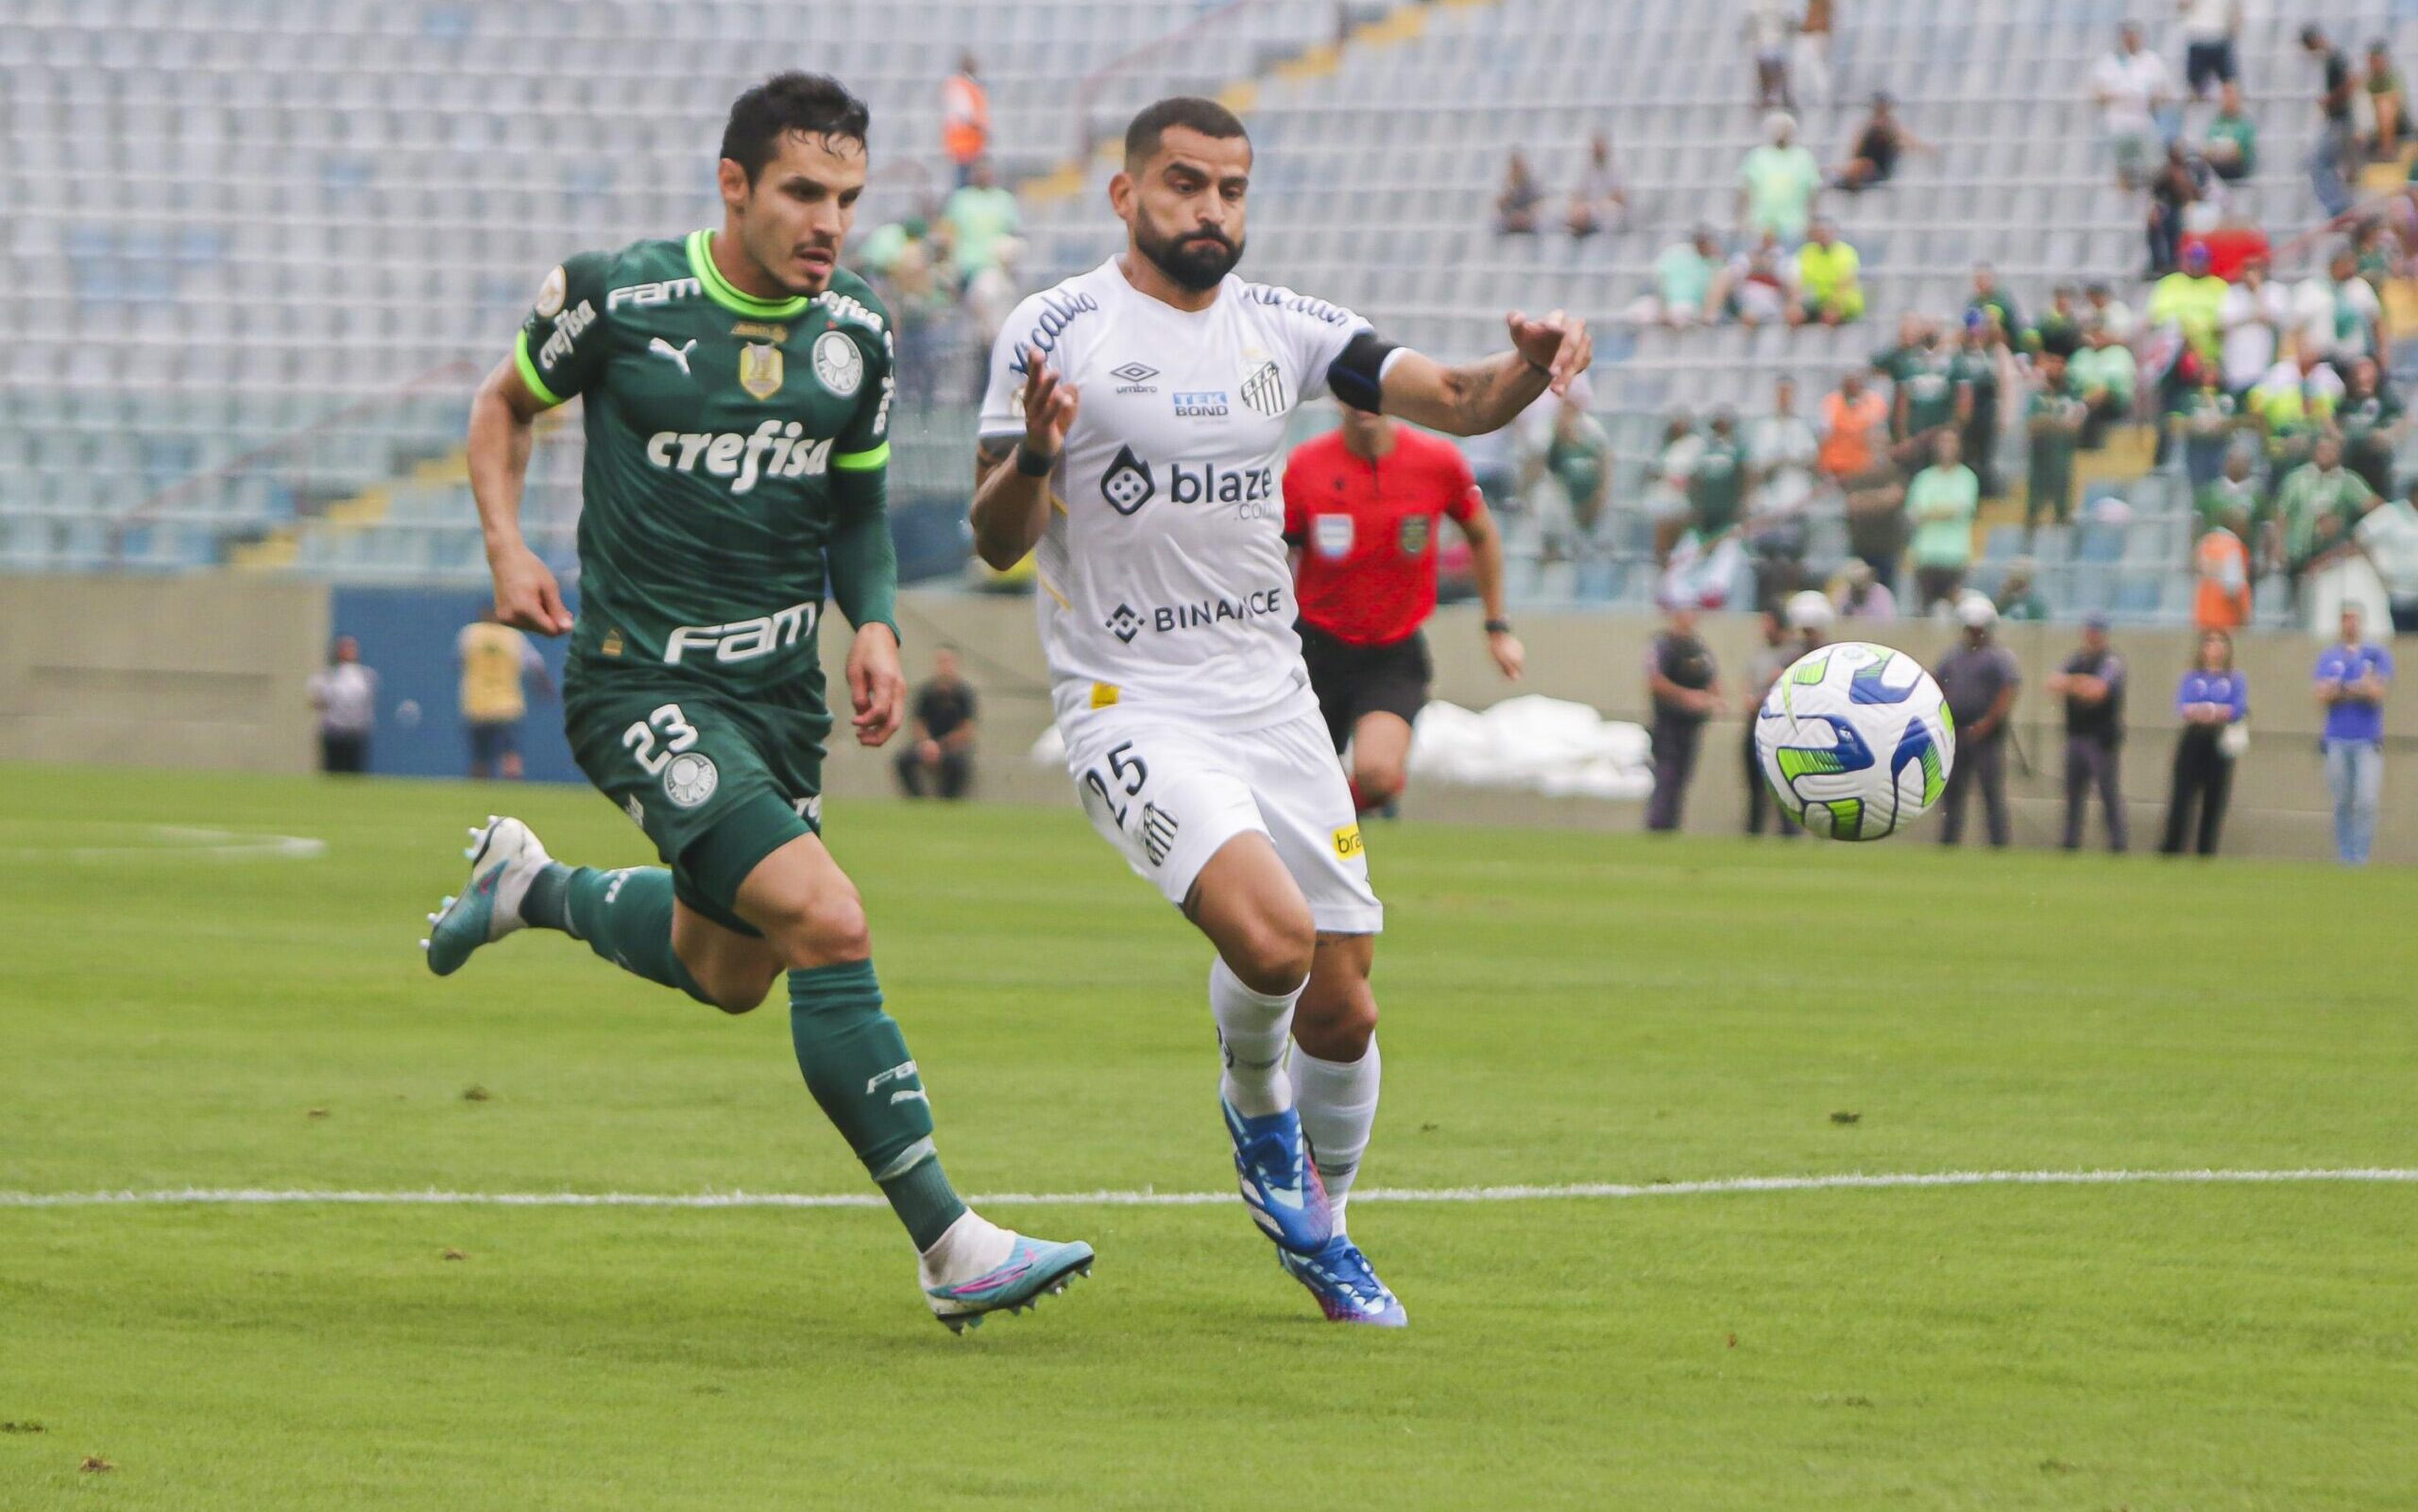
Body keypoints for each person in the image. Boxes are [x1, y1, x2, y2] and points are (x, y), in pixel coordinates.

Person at [435, 74, 1093, 1334]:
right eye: (803, 192)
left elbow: (854, 505)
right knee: (828, 921)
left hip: (778, 696)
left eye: (847, 197)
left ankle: (530, 889)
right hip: (642, 681)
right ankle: (954, 1245)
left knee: (729, 970)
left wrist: (882, 627)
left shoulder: (856, 328)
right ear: (733, 185)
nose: (829, 221)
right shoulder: (618, 295)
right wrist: (507, 549)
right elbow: (502, 406)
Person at [967, 95, 1592, 1326]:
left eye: (1232, 189)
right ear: (1127, 194)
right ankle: (1259, 1125)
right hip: (1129, 698)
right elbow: (994, 541)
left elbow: (1459, 400)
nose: (1211, 209)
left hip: (1271, 695)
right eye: (1187, 184)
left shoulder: (1286, 327)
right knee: (1271, 944)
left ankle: (1329, 1231)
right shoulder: (1058, 330)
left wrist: (1528, 361)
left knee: (1346, 999)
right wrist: (1036, 457)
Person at [1283, 405, 1525, 813]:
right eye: (1350, 392)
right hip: (1316, 647)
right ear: (1337, 399)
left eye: (1372, 391)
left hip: (1391, 651)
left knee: (1378, 775)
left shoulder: (1437, 461)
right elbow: (1277, 554)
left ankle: (1330, 820)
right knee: (1297, 783)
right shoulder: (1306, 466)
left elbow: (1482, 534)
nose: (1362, 404)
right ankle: (1319, 833)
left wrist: (1497, 627)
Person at [1933, 595, 2020, 847]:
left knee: (1991, 793)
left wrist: (1987, 723)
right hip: (1957, 732)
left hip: (1987, 736)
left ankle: (1998, 844)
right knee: (1952, 795)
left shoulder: (1998, 657)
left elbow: (2007, 690)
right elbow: (1938, 682)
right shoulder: (1953, 655)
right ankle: (1948, 842)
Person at [2314, 605, 2392, 864]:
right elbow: (2322, 694)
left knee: (2366, 800)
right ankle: (2345, 856)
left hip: (2368, 740)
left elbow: (2377, 692)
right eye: (2346, 619)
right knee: (2342, 801)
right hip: (2336, 738)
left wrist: (2346, 689)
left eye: (2355, 619)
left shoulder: (2375, 654)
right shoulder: (2329, 657)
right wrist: (2355, 688)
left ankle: (2361, 856)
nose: (2350, 624)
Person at [2160, 629, 2247, 856]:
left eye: (2220, 643)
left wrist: (2212, 711)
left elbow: (2236, 709)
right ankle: (2172, 849)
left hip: (2219, 739)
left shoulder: (2234, 679)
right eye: (2210, 643)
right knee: (2182, 797)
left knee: (2214, 800)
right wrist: (2209, 711)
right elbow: (2184, 707)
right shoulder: (2192, 678)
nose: (2215, 648)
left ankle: (2205, 852)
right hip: (2194, 738)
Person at [2047, 614, 2129, 852]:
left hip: (2101, 739)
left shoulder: (2112, 661)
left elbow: (2098, 691)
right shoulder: (2078, 659)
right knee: (2073, 794)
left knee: (2108, 794)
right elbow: (2053, 683)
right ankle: (2070, 843)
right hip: (2076, 735)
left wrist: (2072, 684)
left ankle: (2118, 844)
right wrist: (2081, 683)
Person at [1644, 602, 1720, 833]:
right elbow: (1655, 681)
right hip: (1668, 722)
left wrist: (1711, 699)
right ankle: (1658, 825)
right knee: (1666, 774)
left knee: (1682, 776)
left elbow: (1713, 681)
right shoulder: (1663, 645)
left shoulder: (1698, 647)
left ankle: (1672, 825)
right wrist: (1687, 697)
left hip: (1692, 723)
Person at [1746, 376, 1821, 603]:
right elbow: (1756, 467)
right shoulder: (1765, 428)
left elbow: (1812, 461)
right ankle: (1765, 606)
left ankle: (1790, 603)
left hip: (1794, 502)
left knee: (1791, 560)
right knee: (1766, 562)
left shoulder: (1801, 428)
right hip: (1769, 505)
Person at [1740, 604, 1810, 837]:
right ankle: (1753, 831)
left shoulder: (1794, 654)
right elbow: (1750, 683)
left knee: (1785, 785)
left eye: (1768, 622)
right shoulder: (1761, 653)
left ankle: (1790, 834)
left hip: (1784, 728)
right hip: (1756, 724)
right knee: (1755, 785)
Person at [457, 608, 552, 780]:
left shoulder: (471, 633)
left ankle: (478, 797)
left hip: (476, 704)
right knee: (511, 753)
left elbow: (460, 661)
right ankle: (512, 794)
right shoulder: (513, 636)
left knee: (480, 756)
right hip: (507, 705)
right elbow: (536, 665)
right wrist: (545, 688)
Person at [2274, 435, 2375, 586]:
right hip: (2294, 555)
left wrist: (2351, 532)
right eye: (2322, 449)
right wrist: (2278, 546)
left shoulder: (2348, 481)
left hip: (2328, 558)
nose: (2326, 454)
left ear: (2340, 454)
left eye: (2332, 450)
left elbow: (2376, 508)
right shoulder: (2296, 478)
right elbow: (2281, 514)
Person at [2092, 23, 2173, 191]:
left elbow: (2164, 93)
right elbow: (2098, 93)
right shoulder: (2109, 62)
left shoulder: (2151, 61)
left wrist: (2149, 100)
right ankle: (2124, 182)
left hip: (2144, 119)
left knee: (2155, 158)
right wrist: (2123, 97)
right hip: (2117, 121)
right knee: (2119, 148)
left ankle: (2152, 186)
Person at [1905, 430, 1980, 613]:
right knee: (1923, 612)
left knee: (1956, 611)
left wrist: (1931, 511)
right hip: (1926, 554)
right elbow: (1915, 513)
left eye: (1951, 442)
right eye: (1943, 442)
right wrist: (1946, 509)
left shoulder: (1967, 477)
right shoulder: (1924, 478)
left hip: (1954, 555)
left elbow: (1961, 510)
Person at [894, 647, 977, 799]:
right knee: (903, 760)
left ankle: (949, 800)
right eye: (941, 661)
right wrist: (927, 743)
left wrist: (942, 745)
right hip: (927, 745)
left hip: (952, 747)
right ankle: (917, 799)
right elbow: (918, 723)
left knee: (959, 763)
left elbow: (967, 729)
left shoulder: (964, 694)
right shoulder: (926, 692)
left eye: (948, 661)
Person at [2293, 245, 2387, 369]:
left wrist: (2382, 350)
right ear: (2335, 264)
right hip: (2320, 358)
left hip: (2353, 359)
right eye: (2347, 263)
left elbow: (2376, 321)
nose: (2352, 268)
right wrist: (2303, 352)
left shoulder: (2360, 287)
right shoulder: (2312, 288)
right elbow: (2298, 326)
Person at [2026, 350, 2088, 536]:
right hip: (2039, 458)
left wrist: (2048, 422)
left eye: (2060, 364)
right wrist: (2058, 424)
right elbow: (2032, 425)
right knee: (2034, 506)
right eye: (2052, 363)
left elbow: (2075, 426)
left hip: (2061, 457)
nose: (2056, 368)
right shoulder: (2038, 396)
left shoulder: (2072, 395)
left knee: (2062, 504)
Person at [1736, 111, 1823, 246]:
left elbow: (1812, 193)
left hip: (1794, 224)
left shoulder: (1803, 158)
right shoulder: (1758, 156)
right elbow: (1746, 190)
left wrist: (1811, 222)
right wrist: (1742, 220)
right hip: (1761, 223)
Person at [2305, 26, 2358, 219]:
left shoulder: (2335, 57)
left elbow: (2352, 81)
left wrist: (2331, 100)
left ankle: (2339, 206)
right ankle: (2342, 204)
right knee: (2335, 163)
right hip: (2338, 120)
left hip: (2341, 120)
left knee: (2320, 161)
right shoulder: (2332, 58)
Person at [940, 155, 1020, 280]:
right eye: (978, 170)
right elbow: (948, 233)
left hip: (994, 266)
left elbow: (1013, 232)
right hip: (965, 265)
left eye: (985, 170)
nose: (982, 174)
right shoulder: (960, 199)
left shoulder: (1004, 199)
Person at [2218, 256, 2289, 399]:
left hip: (2264, 363)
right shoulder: (2231, 293)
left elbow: (2271, 318)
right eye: (2248, 270)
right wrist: (2252, 317)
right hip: (2236, 363)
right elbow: (2224, 323)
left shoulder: (2276, 291)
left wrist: (2258, 290)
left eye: (2256, 270)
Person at [1831, 92, 1929, 193]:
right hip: (1863, 168)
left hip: (1878, 171)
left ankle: (1847, 179)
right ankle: (1847, 179)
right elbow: (1856, 149)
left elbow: (1910, 142)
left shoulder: (1892, 127)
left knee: (1862, 164)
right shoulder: (1867, 127)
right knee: (1858, 165)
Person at [2335, 357, 2403, 498]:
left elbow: (2403, 420)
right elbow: (2333, 421)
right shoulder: (2346, 401)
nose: (2363, 374)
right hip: (2351, 457)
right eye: (2360, 369)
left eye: (2368, 369)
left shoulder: (2386, 399)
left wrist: (2387, 434)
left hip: (2377, 459)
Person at [308, 635, 376, 774]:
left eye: (351, 648)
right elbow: (315, 700)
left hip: (355, 733)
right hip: (334, 732)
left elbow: (367, 703)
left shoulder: (365, 675)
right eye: (344, 648)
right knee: (333, 772)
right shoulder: (328, 676)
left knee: (354, 773)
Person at [2358, 482, 2418, 633]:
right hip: (2400, 590)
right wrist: (2378, 569)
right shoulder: (2393, 513)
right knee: (2404, 636)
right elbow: (2361, 535)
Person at [2070, 320, 2137, 450]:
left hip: (2112, 401)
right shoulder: (2081, 355)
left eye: (2100, 335)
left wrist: (2098, 391)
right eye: (2093, 335)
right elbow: (2074, 378)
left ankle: (2088, 446)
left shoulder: (2119, 353)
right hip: (2083, 397)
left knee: (2099, 396)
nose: (2097, 339)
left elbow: (2119, 381)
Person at [1640, 226, 1724, 327]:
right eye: (1700, 241)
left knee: (1681, 314)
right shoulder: (1675, 254)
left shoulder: (1716, 264)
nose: (1703, 245)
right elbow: (1660, 283)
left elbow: (1716, 294)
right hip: (1668, 306)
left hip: (1691, 309)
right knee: (1639, 311)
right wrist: (1663, 310)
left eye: (1706, 241)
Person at [2145, 143, 2205, 278]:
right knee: (2164, 230)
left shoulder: (2190, 171)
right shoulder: (2166, 173)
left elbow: (2197, 193)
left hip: (2185, 209)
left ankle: (2177, 262)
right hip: (2169, 209)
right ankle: (2161, 264)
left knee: (2177, 233)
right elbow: (2157, 193)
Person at [1791, 219, 1863, 326]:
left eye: (1825, 232)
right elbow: (1796, 281)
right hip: (1819, 302)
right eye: (1818, 232)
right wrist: (1796, 304)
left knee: (1831, 315)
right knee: (1793, 315)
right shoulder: (1806, 252)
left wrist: (1834, 305)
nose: (1822, 235)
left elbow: (1845, 283)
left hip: (1844, 303)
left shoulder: (1846, 252)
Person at [2193, 511, 2254, 631]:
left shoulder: (2207, 542)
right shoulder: (2232, 547)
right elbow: (2232, 586)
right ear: (2238, 526)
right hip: (2227, 621)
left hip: (2204, 618)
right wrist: (2243, 616)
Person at [941, 53, 989, 188]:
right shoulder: (961, 86)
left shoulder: (969, 85)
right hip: (964, 145)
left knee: (968, 181)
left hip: (971, 145)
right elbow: (965, 115)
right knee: (964, 184)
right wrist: (981, 128)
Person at [1566, 132, 1626, 239]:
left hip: (1606, 208)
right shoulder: (1585, 168)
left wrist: (1596, 205)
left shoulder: (1615, 167)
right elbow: (1577, 194)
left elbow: (1620, 197)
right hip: (1588, 209)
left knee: (1609, 212)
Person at [2178, 0, 2241, 101]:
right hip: (2198, 36)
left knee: (2230, 85)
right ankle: (2194, 116)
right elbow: (2182, 6)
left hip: (2220, 37)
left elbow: (2236, 9)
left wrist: (2235, 28)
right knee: (2194, 90)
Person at [2204, 78, 2256, 181]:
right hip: (2216, 166)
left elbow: (2241, 153)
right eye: (2224, 95)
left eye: (2230, 94)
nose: (2226, 99)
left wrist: (2222, 150)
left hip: (2237, 169)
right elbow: (2208, 149)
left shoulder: (2245, 125)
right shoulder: (2216, 123)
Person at [1746, 0, 1796, 110]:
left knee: (1777, 64)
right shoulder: (1757, 6)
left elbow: (1790, 20)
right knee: (1765, 64)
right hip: (1765, 42)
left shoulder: (1781, 6)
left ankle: (1782, 95)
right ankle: (1768, 96)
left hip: (1777, 42)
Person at [2367, 40, 2407, 161]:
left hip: (2399, 122)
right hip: (2375, 122)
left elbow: (2396, 98)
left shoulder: (2393, 76)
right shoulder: (2369, 79)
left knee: (2384, 106)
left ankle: (2387, 150)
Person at [1496, 148, 1544, 235]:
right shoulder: (1507, 184)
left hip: (1529, 219)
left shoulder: (1532, 184)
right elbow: (1500, 205)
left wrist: (1525, 215)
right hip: (1510, 220)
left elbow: (1539, 202)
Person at [1832, 557, 1898, 621]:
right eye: (1857, 580)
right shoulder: (1843, 594)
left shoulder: (1882, 594)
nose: (1862, 584)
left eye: (1864, 578)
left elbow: (1889, 623)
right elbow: (1837, 620)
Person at [1994, 557, 2051, 622]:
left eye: (2012, 573)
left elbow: (2041, 625)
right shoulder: (2006, 597)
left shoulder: (2035, 601)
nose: (2007, 578)